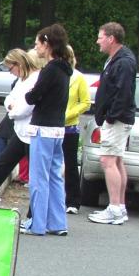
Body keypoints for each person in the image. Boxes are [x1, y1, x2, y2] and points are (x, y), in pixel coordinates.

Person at [21, 24, 72, 236]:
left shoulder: (49, 70)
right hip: (58, 128)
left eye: (37, 44)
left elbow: (33, 97)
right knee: (55, 177)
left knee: (39, 177)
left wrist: (30, 93)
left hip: (42, 128)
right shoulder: (65, 69)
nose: (36, 48)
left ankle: (38, 223)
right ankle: (58, 222)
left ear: (46, 44)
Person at [88, 22, 138, 225]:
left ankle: (114, 208)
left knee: (108, 161)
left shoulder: (123, 62)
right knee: (116, 161)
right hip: (117, 119)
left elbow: (123, 92)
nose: (97, 41)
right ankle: (120, 207)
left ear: (111, 38)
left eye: (100, 37)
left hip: (117, 120)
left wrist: (110, 116)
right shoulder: (116, 59)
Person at [0, 49, 39, 199]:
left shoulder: (35, 79)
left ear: (19, 64)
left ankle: (35, 211)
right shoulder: (21, 80)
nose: (11, 72)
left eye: (11, 68)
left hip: (31, 132)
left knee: (36, 175)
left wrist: (12, 111)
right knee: (2, 165)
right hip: (19, 132)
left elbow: (26, 107)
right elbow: (8, 99)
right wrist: (12, 107)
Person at [62, 45, 90, 214]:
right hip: (51, 124)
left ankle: (73, 200)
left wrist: (69, 114)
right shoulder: (51, 73)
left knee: (70, 163)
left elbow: (85, 102)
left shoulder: (78, 77)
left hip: (69, 127)